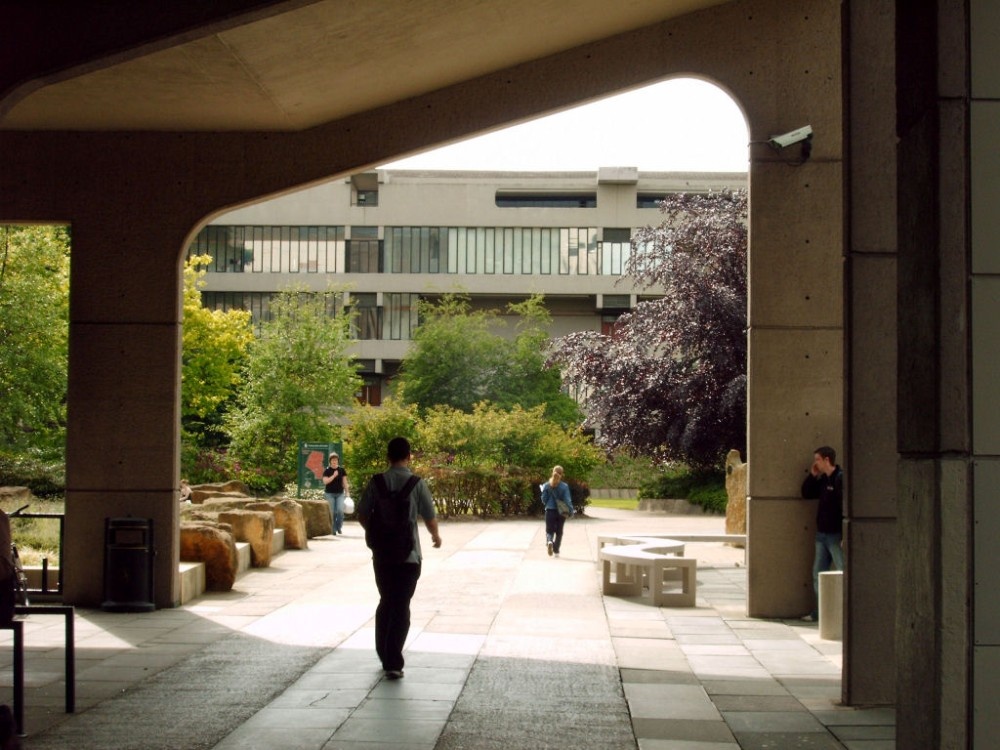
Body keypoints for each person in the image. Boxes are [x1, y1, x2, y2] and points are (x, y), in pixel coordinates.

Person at [356, 437, 441, 680]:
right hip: (409, 556)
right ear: (409, 456)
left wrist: (378, 534)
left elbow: (362, 515)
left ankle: (383, 652)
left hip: (382, 555)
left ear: (387, 457)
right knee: (401, 603)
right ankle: (393, 661)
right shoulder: (417, 483)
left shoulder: (376, 482)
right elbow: (429, 516)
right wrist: (435, 536)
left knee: (386, 600)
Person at [800, 445, 844, 622]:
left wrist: (845, 534)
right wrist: (812, 475)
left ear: (827, 460)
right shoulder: (824, 480)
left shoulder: (840, 479)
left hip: (835, 536)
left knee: (843, 572)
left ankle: (844, 614)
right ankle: (820, 614)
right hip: (822, 535)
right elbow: (806, 493)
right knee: (818, 574)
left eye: (817, 459)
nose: (815, 462)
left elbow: (845, 507)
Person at [540, 465, 574, 558]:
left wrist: (547, 503)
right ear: (562, 474)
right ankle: (556, 550)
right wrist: (571, 511)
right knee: (559, 532)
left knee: (549, 530)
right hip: (561, 512)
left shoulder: (546, 485)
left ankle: (549, 541)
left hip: (550, 510)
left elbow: (543, 499)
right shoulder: (564, 486)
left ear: (553, 472)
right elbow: (567, 500)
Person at [322, 453, 350, 535]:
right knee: (333, 512)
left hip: (340, 494)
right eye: (332, 460)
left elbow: (345, 482)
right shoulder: (327, 470)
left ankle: (339, 527)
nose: (334, 461)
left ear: (338, 461)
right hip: (329, 494)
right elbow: (325, 481)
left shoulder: (342, 470)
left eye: (336, 460)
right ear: (330, 461)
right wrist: (333, 476)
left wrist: (347, 492)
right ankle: (333, 529)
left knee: (340, 511)